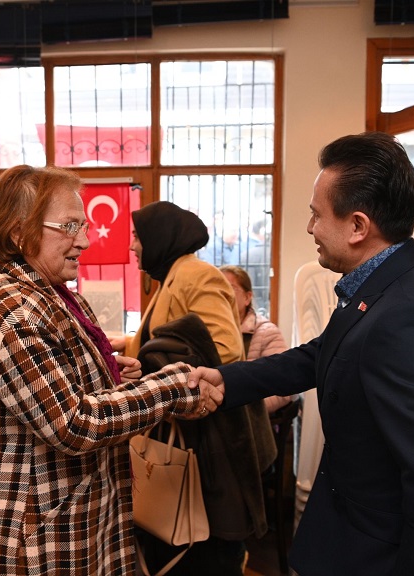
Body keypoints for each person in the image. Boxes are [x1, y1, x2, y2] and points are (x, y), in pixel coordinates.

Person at [189, 132, 414, 576]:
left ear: (357, 226)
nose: (310, 228)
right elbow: (325, 352)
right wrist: (230, 379)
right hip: (355, 533)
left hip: (387, 554)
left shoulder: (412, 316)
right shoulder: (383, 285)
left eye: (317, 215)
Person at [0, 166, 222, 576]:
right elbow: (75, 424)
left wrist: (101, 372)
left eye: (84, 225)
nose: (85, 241)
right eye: (69, 226)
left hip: (56, 518)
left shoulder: (42, 289)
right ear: (19, 234)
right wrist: (173, 387)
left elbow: (53, 384)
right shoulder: (14, 312)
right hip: (24, 537)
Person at [111, 201, 275, 576]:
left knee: (210, 546)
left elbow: (224, 349)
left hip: (211, 438)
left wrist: (155, 369)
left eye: (137, 236)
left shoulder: (198, 275)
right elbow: (169, 337)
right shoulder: (171, 276)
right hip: (190, 434)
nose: (132, 245)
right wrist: (129, 345)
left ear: (159, 237)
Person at [218, 264, 291, 413]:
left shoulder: (266, 332)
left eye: (229, 288)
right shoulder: (210, 331)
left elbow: (283, 390)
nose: (222, 294)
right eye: (217, 290)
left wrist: (243, 410)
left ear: (247, 297)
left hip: (247, 417)